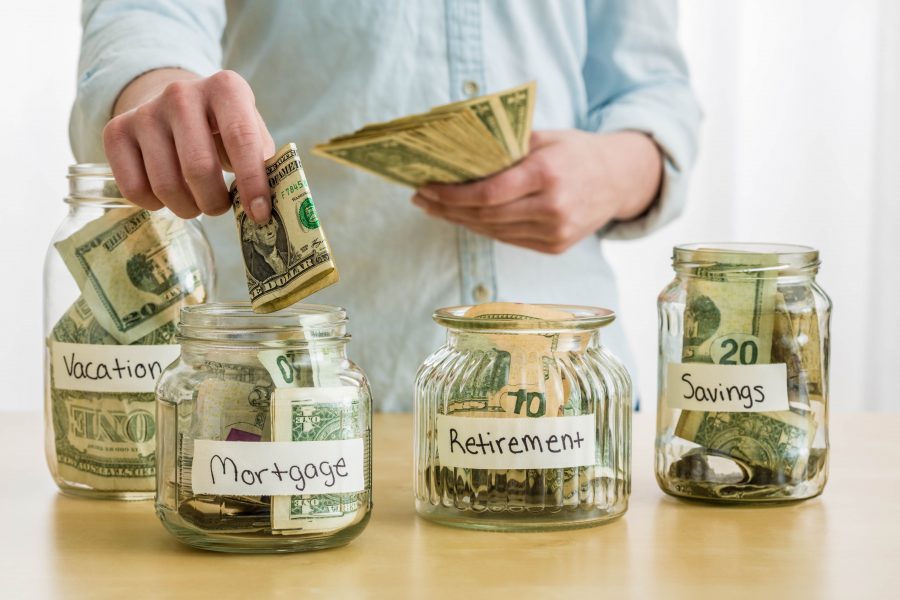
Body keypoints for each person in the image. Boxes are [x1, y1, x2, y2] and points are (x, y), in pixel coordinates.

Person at [70, 0, 701, 411]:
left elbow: (652, 89)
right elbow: (145, 14)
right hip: (304, 394)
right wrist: (158, 92)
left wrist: (615, 171)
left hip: (572, 395)